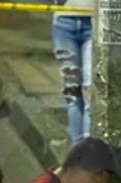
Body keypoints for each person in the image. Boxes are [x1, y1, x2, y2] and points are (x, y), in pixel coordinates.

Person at [53, 0, 94, 145]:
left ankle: (89, 151)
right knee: (72, 92)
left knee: (91, 92)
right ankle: (76, 150)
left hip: (95, 20)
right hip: (64, 21)